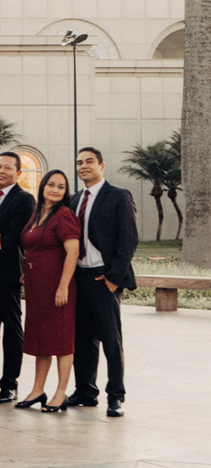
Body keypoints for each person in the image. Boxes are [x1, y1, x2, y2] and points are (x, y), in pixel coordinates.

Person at [66, 146, 138, 416]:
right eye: (79, 162)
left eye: (89, 162)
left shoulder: (118, 196)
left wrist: (113, 278)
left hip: (103, 278)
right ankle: (85, 391)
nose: (83, 166)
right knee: (83, 339)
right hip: (80, 278)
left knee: (110, 339)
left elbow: (129, 238)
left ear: (101, 165)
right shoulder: (73, 200)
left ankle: (115, 396)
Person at [18, 170, 81, 413]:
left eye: (61, 187)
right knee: (40, 338)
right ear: (43, 186)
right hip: (36, 287)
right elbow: (33, 247)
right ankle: (37, 390)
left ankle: (61, 393)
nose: (55, 190)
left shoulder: (64, 215)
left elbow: (73, 252)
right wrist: (27, 271)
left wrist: (63, 285)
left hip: (57, 286)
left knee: (62, 340)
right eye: (51, 184)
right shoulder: (37, 214)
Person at [0, 152, 36, 404]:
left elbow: (13, 237)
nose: (1, 171)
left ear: (18, 173)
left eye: (8, 168)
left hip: (5, 273)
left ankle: (9, 383)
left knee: (11, 328)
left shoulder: (24, 199)